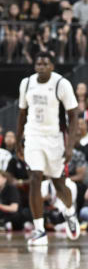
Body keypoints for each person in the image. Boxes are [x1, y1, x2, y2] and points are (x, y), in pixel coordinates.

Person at [16, 51, 81, 245]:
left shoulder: (62, 84)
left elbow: (74, 116)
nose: (41, 67)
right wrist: (19, 140)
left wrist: (70, 146)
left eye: (45, 63)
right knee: (35, 178)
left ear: (52, 66)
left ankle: (70, 212)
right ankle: (39, 231)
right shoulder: (27, 83)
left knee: (59, 184)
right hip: (33, 136)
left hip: (55, 138)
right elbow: (21, 113)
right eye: (38, 64)